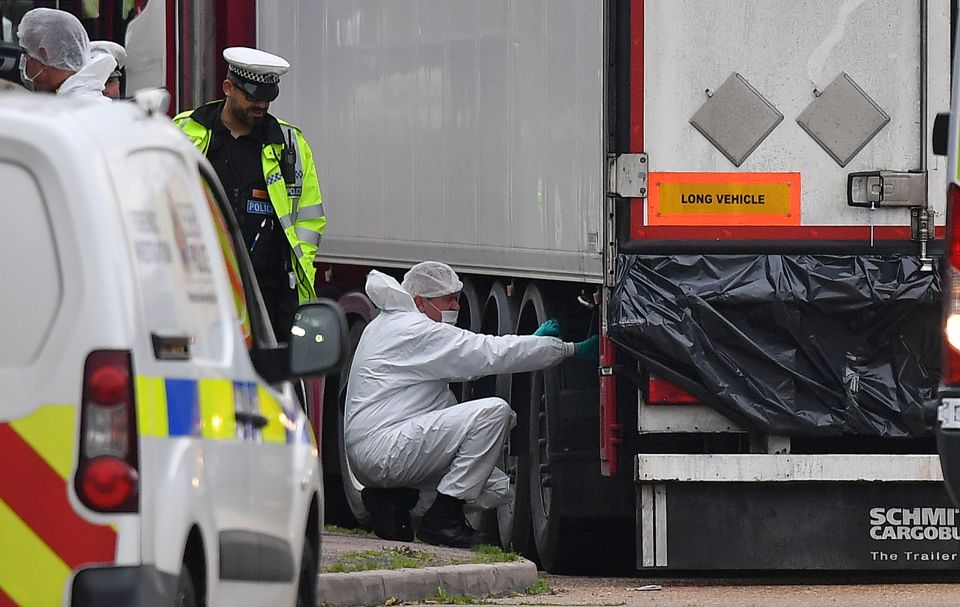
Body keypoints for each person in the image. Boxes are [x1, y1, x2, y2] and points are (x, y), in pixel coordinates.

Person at [344, 262, 598, 548]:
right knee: (493, 413)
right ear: (419, 301)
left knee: (494, 486)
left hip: (382, 449)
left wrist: (529, 343)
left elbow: (465, 363)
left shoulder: (390, 323)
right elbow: (484, 354)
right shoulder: (413, 329)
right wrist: (568, 349)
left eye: (457, 298)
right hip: (385, 449)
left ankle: (398, 506)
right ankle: (443, 521)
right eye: (447, 299)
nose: (456, 306)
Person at [174, 47, 325, 341]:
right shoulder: (183, 134)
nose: (261, 105)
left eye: (268, 98)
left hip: (269, 295)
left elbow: (310, 217)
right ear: (228, 88)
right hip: (200, 291)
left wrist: (297, 269)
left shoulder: (290, 144)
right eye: (253, 96)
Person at [16, 7, 114, 99]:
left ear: (44, 55)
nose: (23, 62)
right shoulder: (81, 96)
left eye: (26, 53)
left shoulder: (69, 108)